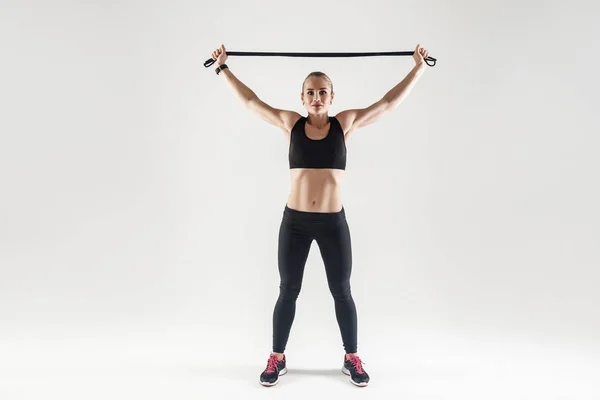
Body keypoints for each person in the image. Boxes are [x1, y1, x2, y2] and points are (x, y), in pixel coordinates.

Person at [209, 43, 430, 387]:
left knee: (342, 290)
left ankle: (351, 356)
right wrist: (223, 68)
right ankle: (277, 358)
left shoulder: (346, 123)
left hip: (332, 223)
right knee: (288, 290)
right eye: (310, 92)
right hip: (295, 222)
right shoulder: (290, 123)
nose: (316, 97)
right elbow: (252, 102)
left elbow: (387, 103)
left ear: (331, 96)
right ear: (302, 97)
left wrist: (418, 68)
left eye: (322, 92)